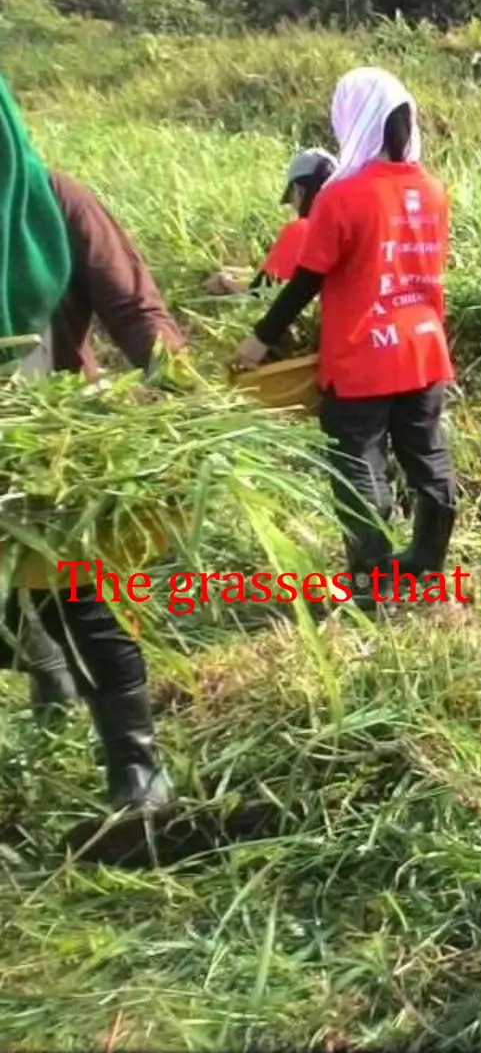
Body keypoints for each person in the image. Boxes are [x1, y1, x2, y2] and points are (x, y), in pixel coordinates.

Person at [2, 70, 185, 813]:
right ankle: (45, 666)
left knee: (81, 598)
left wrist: (181, 397)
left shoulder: (55, 203)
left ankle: (138, 773)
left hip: (54, 444)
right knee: (23, 604)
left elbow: (134, 307)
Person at [237, 69, 456, 601]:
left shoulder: (342, 196)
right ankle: (425, 565)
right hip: (424, 350)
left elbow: (307, 280)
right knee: (428, 459)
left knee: (358, 463)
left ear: (351, 119)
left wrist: (260, 339)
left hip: (362, 357)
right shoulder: (431, 190)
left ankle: (369, 581)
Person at [203, 148, 337, 327]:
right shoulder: (349, 225)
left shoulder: (302, 229)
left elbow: (263, 291)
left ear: (299, 190)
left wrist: (225, 282)